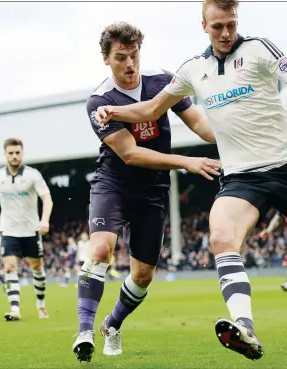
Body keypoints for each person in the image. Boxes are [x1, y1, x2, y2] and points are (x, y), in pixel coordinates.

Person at [93, 0, 287, 360]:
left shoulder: (261, 49)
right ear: (204, 25)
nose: (226, 33)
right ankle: (245, 328)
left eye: (231, 24)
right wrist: (114, 110)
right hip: (240, 178)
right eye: (217, 26)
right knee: (220, 238)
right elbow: (152, 109)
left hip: (285, 168)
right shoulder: (191, 69)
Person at [72, 22, 220, 363]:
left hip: (153, 190)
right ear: (106, 59)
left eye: (134, 55)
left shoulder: (162, 80)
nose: (130, 64)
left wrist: (231, 134)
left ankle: (112, 324)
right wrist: (185, 161)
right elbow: (130, 153)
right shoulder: (100, 101)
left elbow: (197, 122)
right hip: (114, 184)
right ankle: (84, 331)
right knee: (100, 248)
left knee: (142, 276)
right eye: (121, 57)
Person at [0, 138, 53, 321]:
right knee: (9, 267)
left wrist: (45, 220)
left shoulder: (33, 175)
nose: (14, 156)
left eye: (17, 153)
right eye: (11, 153)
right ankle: (15, 310)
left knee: (37, 267)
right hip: (8, 230)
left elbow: (46, 198)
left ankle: (41, 304)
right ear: (5, 154)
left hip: (31, 230)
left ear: (22, 153)